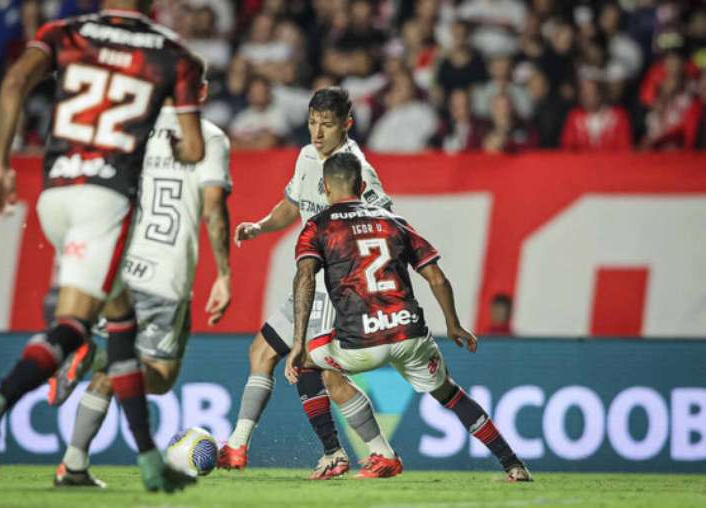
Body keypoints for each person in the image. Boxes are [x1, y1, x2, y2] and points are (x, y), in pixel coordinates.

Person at [0, 0, 206, 493]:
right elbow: (194, 148)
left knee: (121, 321)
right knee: (75, 323)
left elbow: (12, 83)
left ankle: (144, 457)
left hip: (55, 195)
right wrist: (178, 147)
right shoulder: (172, 54)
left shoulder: (63, 32)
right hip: (107, 200)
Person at [285, 152, 532, 481]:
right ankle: (513, 465)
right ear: (361, 185)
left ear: (325, 188)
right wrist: (453, 324)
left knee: (308, 365)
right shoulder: (394, 221)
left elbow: (305, 278)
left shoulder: (319, 226)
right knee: (449, 393)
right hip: (409, 333)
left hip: (361, 341)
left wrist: (298, 342)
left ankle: (344, 453)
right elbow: (437, 278)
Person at [50, 105, 232, 487]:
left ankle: (74, 463)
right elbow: (214, 208)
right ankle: (94, 352)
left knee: (114, 369)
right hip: (167, 274)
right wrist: (224, 274)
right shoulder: (208, 136)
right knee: (161, 377)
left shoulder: (130, 130)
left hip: (124, 263)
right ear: (200, 90)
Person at [221, 86, 394, 480]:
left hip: (341, 289)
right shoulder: (305, 156)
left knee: (320, 370)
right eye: (312, 123)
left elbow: (386, 225)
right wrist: (261, 226)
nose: (317, 133)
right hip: (311, 285)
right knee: (263, 352)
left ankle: (367, 453)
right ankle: (237, 445)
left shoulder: (359, 171)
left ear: (347, 126)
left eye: (327, 126)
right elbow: (294, 205)